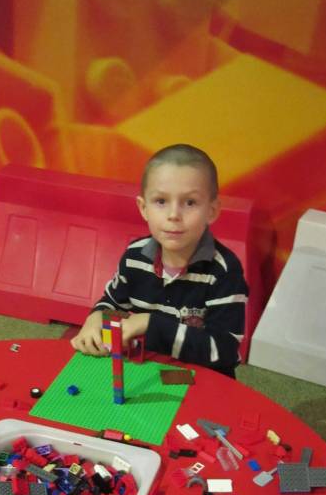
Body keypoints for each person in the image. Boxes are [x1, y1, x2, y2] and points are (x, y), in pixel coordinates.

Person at [71, 144, 249, 377]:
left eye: (190, 202)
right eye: (161, 201)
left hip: (203, 376)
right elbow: (112, 304)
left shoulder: (224, 271)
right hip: (149, 368)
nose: (173, 215)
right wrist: (97, 317)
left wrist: (149, 323)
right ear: (143, 208)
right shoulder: (134, 257)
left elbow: (223, 351)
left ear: (211, 211)